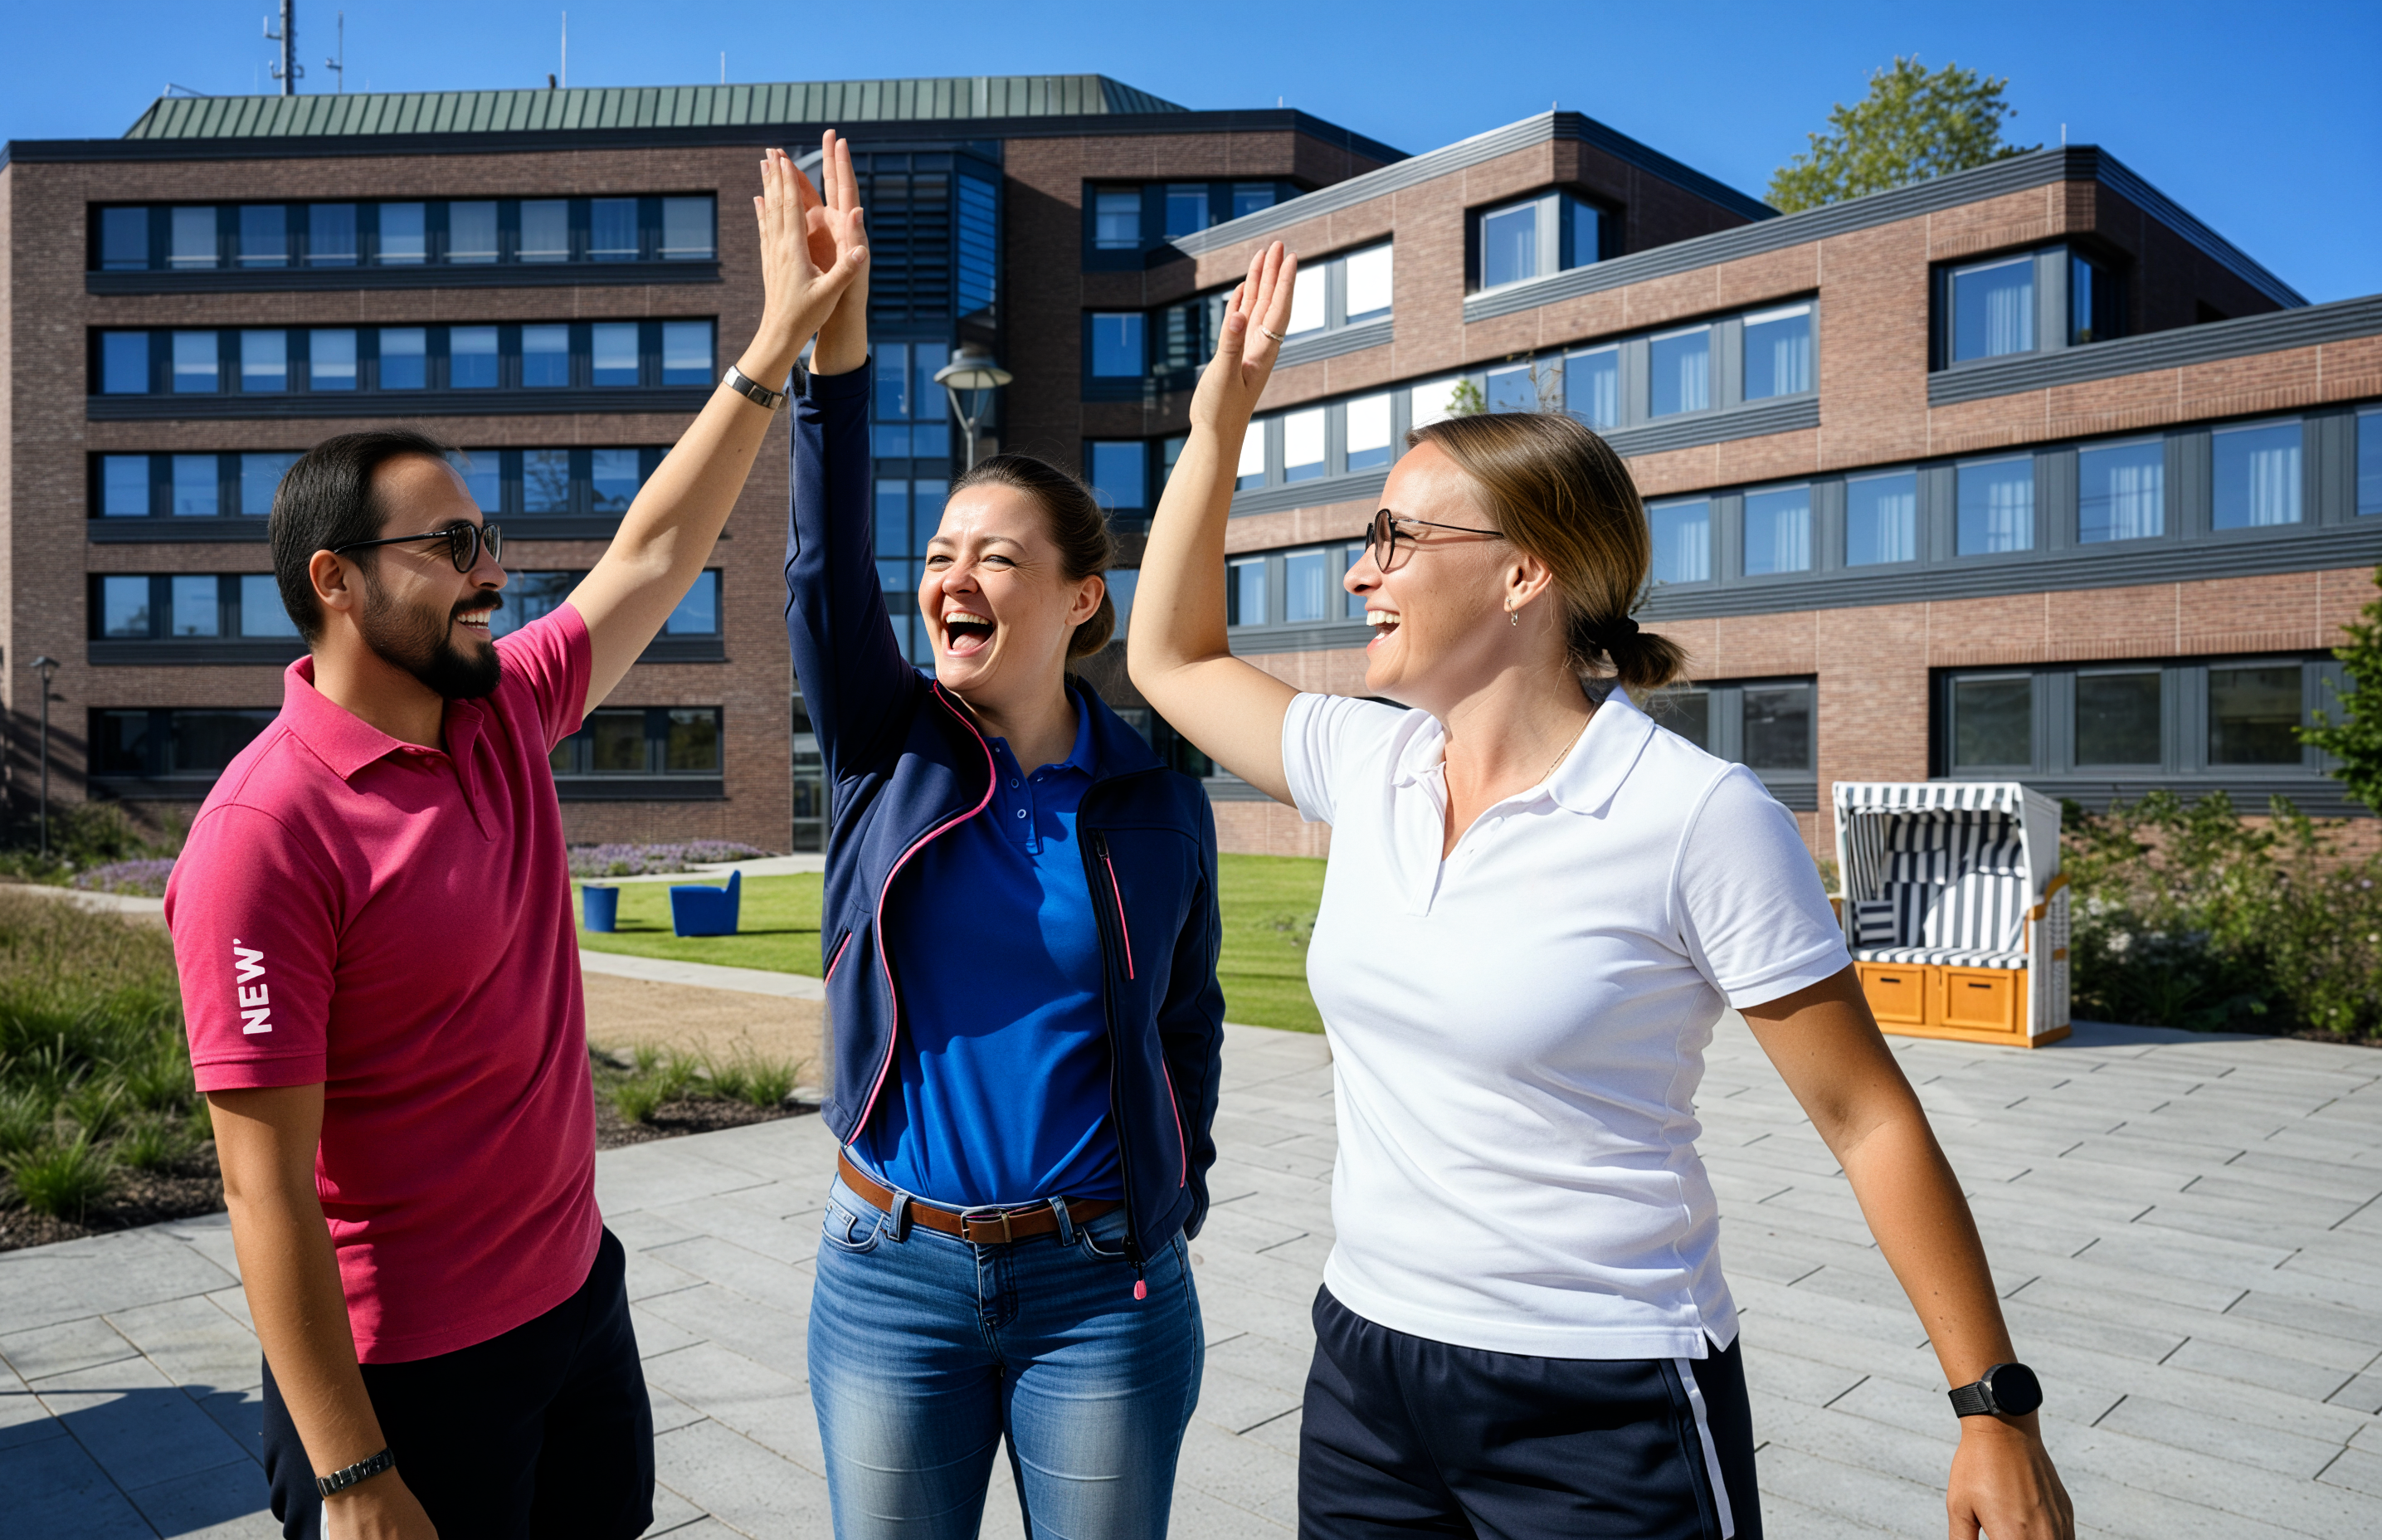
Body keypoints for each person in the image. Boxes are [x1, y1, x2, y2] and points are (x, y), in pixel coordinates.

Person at [1125, 243, 2077, 1540]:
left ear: (1526, 573)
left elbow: (1869, 1121)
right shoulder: (1373, 761)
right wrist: (1218, 425)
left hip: (1603, 1392)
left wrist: (1992, 1409)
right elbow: (1170, 655)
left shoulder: (1696, 817)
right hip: (1367, 1366)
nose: (1362, 571)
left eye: (1396, 537)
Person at [163, 149, 865, 1540]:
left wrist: (776, 344)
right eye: (452, 544)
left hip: (574, 1307)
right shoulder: (265, 831)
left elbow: (654, 554)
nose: (495, 567)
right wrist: (356, 1476)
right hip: (408, 1379)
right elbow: (264, 1192)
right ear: (338, 580)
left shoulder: (499, 712)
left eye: (488, 536)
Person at [781, 132, 1225, 1540]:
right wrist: (835, 356)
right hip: (889, 1273)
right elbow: (817, 565)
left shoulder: (1155, 797)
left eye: (996, 557)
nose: (951, 579)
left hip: (1103, 1289)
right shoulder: (886, 743)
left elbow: (1188, 1019)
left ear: (1083, 600)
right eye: (938, 556)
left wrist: (1173, 1183)